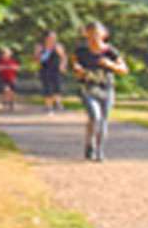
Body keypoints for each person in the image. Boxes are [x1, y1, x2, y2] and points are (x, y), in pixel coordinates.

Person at [73, 22, 128, 161]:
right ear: (86, 35)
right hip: (88, 89)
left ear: (104, 35)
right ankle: (89, 144)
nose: (94, 38)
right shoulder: (81, 51)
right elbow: (75, 65)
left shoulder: (110, 52)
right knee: (94, 116)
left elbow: (124, 69)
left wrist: (111, 65)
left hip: (106, 89)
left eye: (97, 35)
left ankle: (99, 150)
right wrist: (78, 71)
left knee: (103, 120)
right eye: (90, 35)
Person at [36, 30, 70, 114]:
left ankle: (58, 103)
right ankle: (48, 106)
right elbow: (37, 59)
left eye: (54, 37)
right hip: (45, 69)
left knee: (57, 87)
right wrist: (41, 54)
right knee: (47, 88)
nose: (53, 39)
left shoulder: (58, 46)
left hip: (56, 69)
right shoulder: (40, 46)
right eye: (51, 37)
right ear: (46, 38)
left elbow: (64, 57)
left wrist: (63, 65)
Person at [0, 46, 20, 111]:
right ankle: (5, 102)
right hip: (3, 78)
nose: (6, 55)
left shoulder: (13, 61)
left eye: (7, 53)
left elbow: (17, 68)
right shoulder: (0, 61)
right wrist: (2, 68)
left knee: (12, 92)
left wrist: (12, 67)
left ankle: (11, 103)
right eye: (5, 53)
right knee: (6, 90)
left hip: (12, 78)